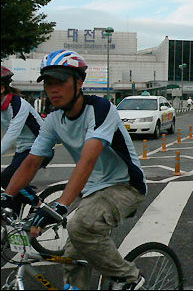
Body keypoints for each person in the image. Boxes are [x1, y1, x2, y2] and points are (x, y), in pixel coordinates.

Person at [1, 50, 147, 290]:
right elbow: (31, 162)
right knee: (72, 257)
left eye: (60, 81)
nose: (53, 89)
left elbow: (87, 161)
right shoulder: (53, 120)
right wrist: (7, 196)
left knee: (79, 225)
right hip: (92, 191)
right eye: (48, 83)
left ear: (79, 82)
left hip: (125, 186)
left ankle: (129, 277)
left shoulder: (100, 109)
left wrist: (60, 206)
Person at [1, 66, 53, 216]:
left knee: (6, 179)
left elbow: (12, 134)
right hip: (23, 150)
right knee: (12, 198)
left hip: (41, 148)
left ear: (2, 88)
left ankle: (39, 205)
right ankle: (15, 230)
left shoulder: (18, 105)